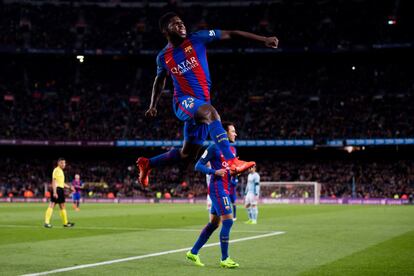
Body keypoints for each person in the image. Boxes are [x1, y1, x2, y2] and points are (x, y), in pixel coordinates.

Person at [137, 12, 278, 186]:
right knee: (212, 114)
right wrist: (153, 105)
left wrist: (263, 39)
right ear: (165, 31)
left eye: (182, 22)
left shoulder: (198, 38)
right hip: (183, 102)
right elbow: (160, 80)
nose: (181, 25)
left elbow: (231, 33)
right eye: (175, 24)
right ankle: (232, 161)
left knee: (186, 154)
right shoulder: (163, 57)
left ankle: (148, 163)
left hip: (201, 105)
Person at [186, 122, 242, 268]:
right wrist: (214, 172)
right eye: (233, 131)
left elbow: (230, 169)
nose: (235, 134)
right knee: (228, 221)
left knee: (214, 224)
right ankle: (225, 259)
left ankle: (193, 252)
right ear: (224, 133)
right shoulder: (213, 147)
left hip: (225, 188)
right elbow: (198, 165)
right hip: (217, 188)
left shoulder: (232, 149)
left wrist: (239, 170)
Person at [44, 158, 75, 228]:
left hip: (60, 189)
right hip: (57, 189)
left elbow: (61, 183)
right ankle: (47, 222)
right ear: (58, 163)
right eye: (62, 163)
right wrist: (55, 192)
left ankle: (65, 223)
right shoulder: (56, 170)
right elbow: (54, 181)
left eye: (64, 163)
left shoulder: (61, 171)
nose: (64, 164)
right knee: (52, 205)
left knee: (62, 206)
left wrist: (69, 187)